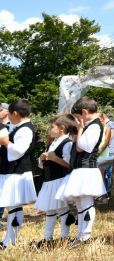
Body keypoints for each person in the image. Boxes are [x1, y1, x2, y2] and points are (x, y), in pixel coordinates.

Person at [59, 96, 107, 245]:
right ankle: (80, 235)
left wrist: (80, 130)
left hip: (87, 169)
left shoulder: (94, 126)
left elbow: (82, 146)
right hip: (81, 169)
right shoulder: (90, 125)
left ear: (84, 112)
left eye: (78, 116)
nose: (78, 120)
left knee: (86, 202)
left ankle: (85, 236)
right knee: (80, 203)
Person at [35, 114, 78, 244]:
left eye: (52, 127)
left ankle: (64, 237)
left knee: (62, 209)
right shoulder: (53, 142)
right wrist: (43, 159)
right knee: (50, 210)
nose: (49, 130)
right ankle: (47, 238)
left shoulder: (67, 143)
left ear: (62, 128)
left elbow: (68, 164)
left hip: (59, 180)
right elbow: (45, 162)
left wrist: (54, 158)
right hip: (49, 180)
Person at [0, 99, 37, 248]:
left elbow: (19, 150)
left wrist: (5, 142)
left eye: (9, 114)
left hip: (17, 172)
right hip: (10, 171)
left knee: (14, 206)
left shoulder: (26, 129)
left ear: (14, 113)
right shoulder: (16, 126)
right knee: (11, 206)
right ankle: (8, 240)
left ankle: (10, 241)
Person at [97, 113, 114, 194]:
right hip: (108, 150)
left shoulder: (110, 124)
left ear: (103, 118)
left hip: (110, 150)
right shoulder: (107, 125)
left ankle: (109, 191)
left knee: (109, 172)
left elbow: (111, 137)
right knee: (106, 172)